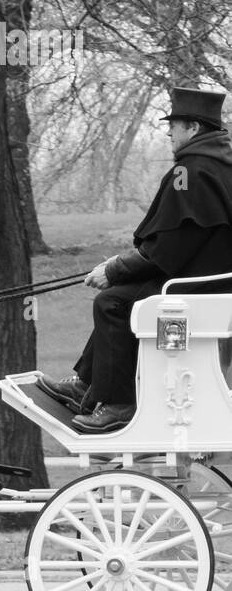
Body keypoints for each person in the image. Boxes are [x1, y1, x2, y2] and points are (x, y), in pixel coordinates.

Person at [38, 86, 232, 432]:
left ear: (193, 128)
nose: (169, 131)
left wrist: (114, 269)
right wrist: (122, 268)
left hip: (195, 289)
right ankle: (88, 384)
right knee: (121, 295)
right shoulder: (219, 166)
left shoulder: (191, 171)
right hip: (213, 282)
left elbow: (168, 251)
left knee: (112, 302)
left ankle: (118, 404)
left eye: (175, 125)